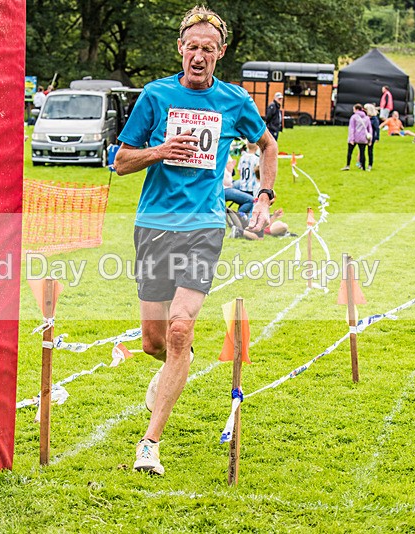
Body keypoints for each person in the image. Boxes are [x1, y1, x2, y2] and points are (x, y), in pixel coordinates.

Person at [114, 4, 277, 476]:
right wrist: (161, 151)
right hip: (153, 225)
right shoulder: (154, 95)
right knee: (155, 341)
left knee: (181, 328)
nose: (199, 55)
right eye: (192, 46)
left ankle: (150, 444)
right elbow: (120, 161)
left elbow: (267, 145)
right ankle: (173, 366)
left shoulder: (234, 101)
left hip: (204, 227)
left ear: (220, 53)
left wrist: (263, 196)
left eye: (209, 48)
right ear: (180, 49)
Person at [342, 104, 371, 171]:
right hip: (363, 138)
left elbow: (351, 128)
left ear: (356, 109)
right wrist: (369, 140)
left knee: (350, 152)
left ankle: (348, 165)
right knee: (362, 152)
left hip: (355, 137)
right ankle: (363, 167)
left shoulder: (354, 117)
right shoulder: (367, 118)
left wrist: (351, 139)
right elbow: (369, 129)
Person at [364, 103, 380, 171]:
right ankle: (362, 164)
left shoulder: (374, 119)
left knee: (370, 151)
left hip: (371, 136)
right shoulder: (365, 118)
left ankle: (370, 164)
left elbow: (377, 129)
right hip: (364, 135)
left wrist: (377, 137)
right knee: (362, 150)